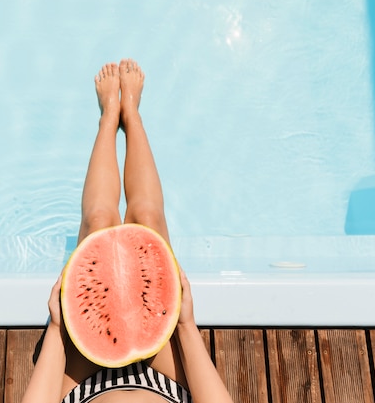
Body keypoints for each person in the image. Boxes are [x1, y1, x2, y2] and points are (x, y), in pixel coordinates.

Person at [22, 59, 234, 403]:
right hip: (165, 379)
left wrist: (60, 328)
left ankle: (108, 117)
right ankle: (132, 115)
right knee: (147, 219)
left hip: (83, 385)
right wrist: (185, 325)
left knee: (98, 224)